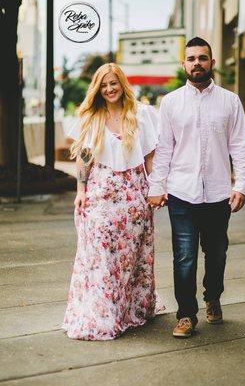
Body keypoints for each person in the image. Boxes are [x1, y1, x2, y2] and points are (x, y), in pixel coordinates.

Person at [148, 37, 245, 338]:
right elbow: (164, 150)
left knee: (217, 253)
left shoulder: (230, 102)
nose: (197, 63)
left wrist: (241, 184)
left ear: (212, 63)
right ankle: (186, 315)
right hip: (182, 192)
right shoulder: (170, 103)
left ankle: (213, 296)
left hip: (219, 193)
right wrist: (158, 186)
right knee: (184, 256)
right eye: (191, 58)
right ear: (184, 64)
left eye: (202, 58)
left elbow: (240, 147)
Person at [62, 63, 162, 341]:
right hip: (99, 195)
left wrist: (159, 188)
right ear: (97, 88)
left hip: (134, 197)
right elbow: (83, 158)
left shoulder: (141, 114)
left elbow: (151, 157)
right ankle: (103, 313)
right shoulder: (92, 117)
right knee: (100, 256)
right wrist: (80, 189)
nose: (109, 89)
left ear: (122, 84)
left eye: (113, 83)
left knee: (131, 257)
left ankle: (130, 309)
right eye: (103, 85)